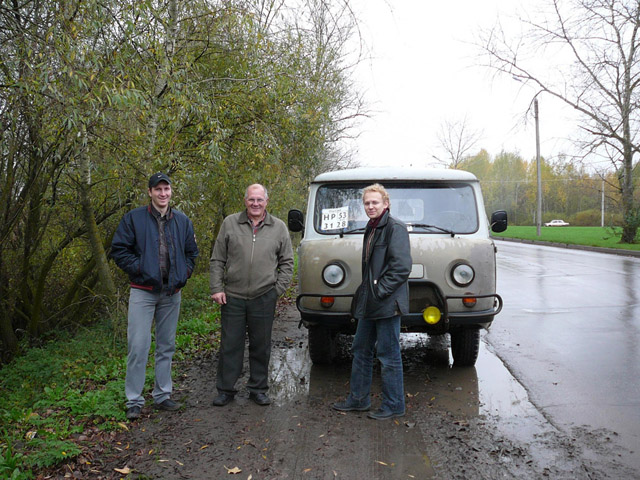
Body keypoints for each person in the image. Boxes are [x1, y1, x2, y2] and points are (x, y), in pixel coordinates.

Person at [111, 172, 199, 420]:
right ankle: (134, 400)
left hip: (172, 293)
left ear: (171, 191)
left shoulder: (182, 221)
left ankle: (162, 395)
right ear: (149, 192)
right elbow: (119, 250)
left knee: (166, 346)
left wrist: (184, 273)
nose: (163, 194)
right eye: (158, 189)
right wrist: (141, 269)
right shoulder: (133, 219)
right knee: (138, 346)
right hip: (143, 292)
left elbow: (192, 253)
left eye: (166, 189)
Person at [209, 184, 294, 407]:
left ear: (267, 201)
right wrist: (216, 288)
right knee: (230, 345)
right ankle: (226, 389)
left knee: (261, 345)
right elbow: (218, 259)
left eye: (260, 200)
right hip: (233, 296)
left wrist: (277, 291)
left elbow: (287, 262)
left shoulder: (279, 227)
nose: (255, 204)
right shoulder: (230, 223)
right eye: (251, 199)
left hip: (264, 295)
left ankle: (258, 388)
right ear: (245, 201)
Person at [332, 183, 412, 420]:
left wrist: (379, 292)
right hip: (371, 302)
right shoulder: (372, 227)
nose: (370, 206)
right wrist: (370, 294)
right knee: (361, 349)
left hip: (386, 303)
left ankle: (394, 404)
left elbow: (401, 268)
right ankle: (358, 400)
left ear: (385, 204)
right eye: (367, 203)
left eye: (375, 202)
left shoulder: (394, 228)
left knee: (388, 354)